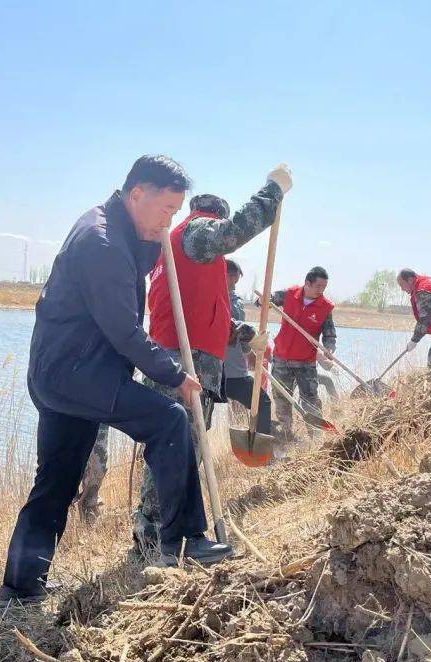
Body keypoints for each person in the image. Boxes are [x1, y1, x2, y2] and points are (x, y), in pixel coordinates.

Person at [0, 155, 230, 612]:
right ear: (137, 193)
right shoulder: (101, 242)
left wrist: (153, 240)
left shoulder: (114, 229)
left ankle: (20, 589)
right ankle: (183, 539)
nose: (170, 221)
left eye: (176, 212)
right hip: (79, 374)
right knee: (167, 420)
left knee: (58, 481)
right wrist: (175, 376)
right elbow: (124, 332)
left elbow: (128, 275)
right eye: (166, 209)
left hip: (63, 374)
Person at [132, 171, 289, 545]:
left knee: (187, 446)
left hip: (194, 360)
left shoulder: (192, 252)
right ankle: (156, 531)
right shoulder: (196, 231)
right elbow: (233, 232)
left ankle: (170, 528)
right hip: (181, 362)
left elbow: (201, 311)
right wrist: (273, 192)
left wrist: (243, 332)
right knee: (175, 446)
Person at [268, 267, 336, 441]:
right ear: (307, 283)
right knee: (282, 397)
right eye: (318, 286)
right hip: (282, 358)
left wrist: (329, 347)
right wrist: (263, 301)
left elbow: (329, 334)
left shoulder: (325, 307)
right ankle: (286, 434)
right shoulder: (289, 294)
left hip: (306, 362)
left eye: (324, 287)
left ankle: (316, 436)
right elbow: (270, 299)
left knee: (310, 399)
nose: (321, 291)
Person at [222, 259, 272, 436]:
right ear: (224, 274)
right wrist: (254, 343)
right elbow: (237, 331)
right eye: (233, 281)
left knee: (204, 417)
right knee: (262, 403)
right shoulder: (225, 301)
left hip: (217, 370)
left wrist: (250, 349)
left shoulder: (213, 297)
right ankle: (262, 453)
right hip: (229, 371)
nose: (234, 287)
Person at [74, 424, 108, 523]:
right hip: (68, 413)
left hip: (99, 414)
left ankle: (90, 517)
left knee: (98, 459)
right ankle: (71, 519)